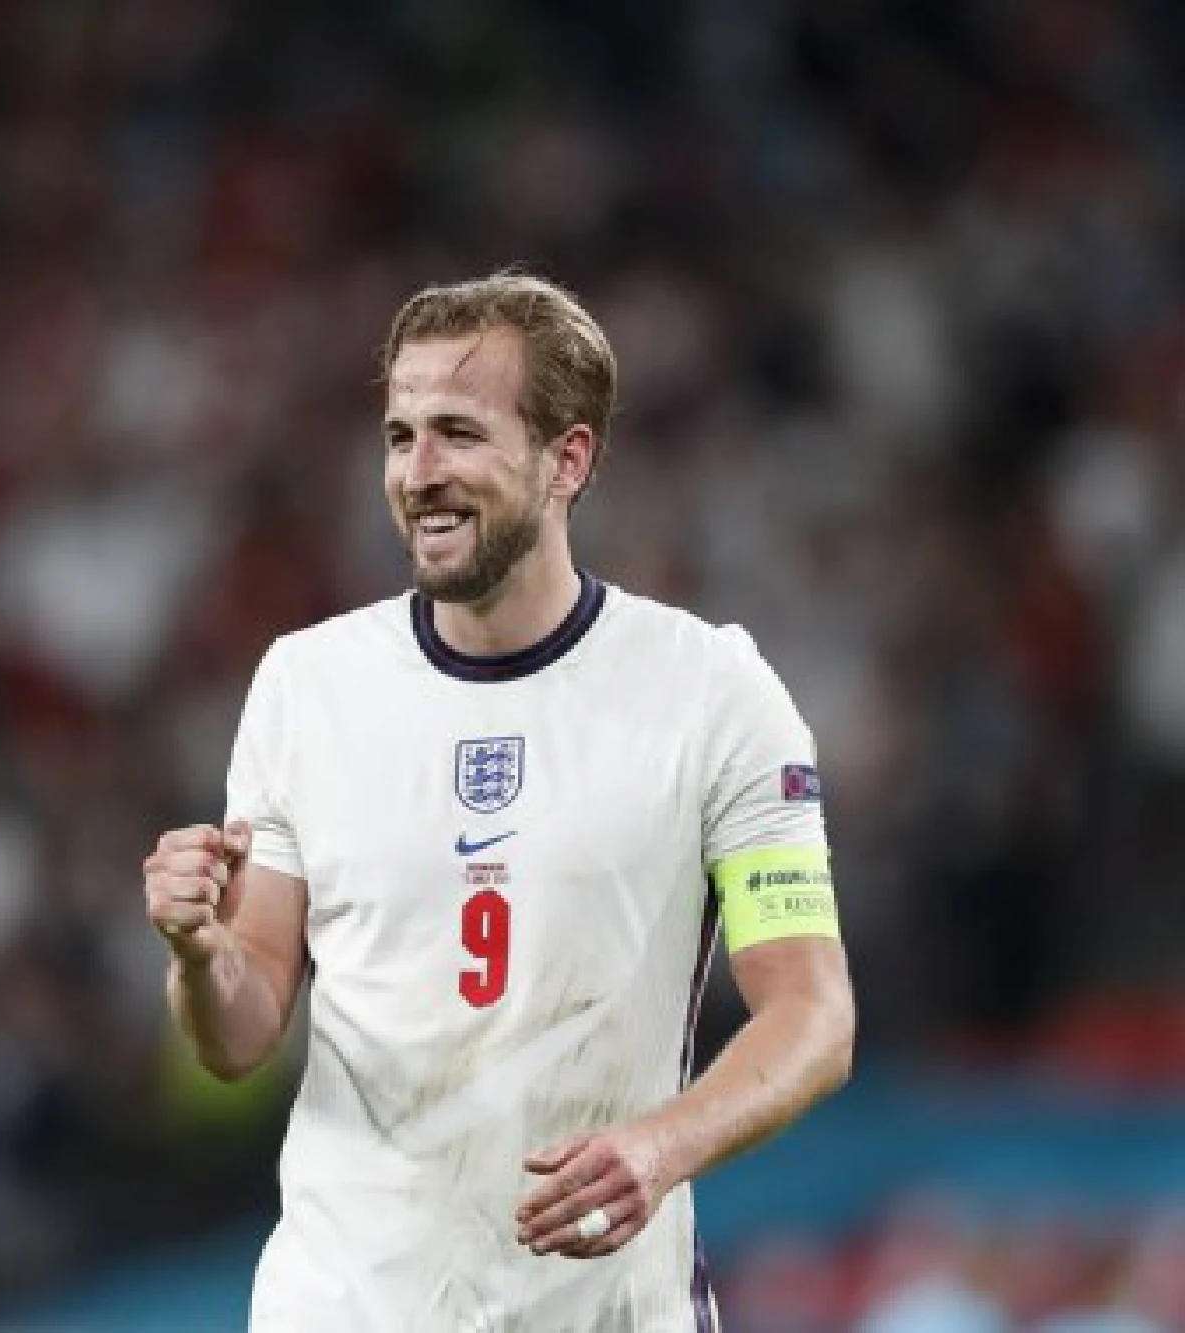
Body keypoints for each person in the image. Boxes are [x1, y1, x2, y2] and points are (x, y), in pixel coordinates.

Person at [143, 272, 856, 1331]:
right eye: (398, 437)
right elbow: (237, 1037)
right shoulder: (307, 685)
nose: (416, 474)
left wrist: (659, 1146)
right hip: (344, 1305)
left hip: (600, 1306)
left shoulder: (708, 692)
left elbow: (811, 1014)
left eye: (457, 436)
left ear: (566, 459)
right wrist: (201, 954)